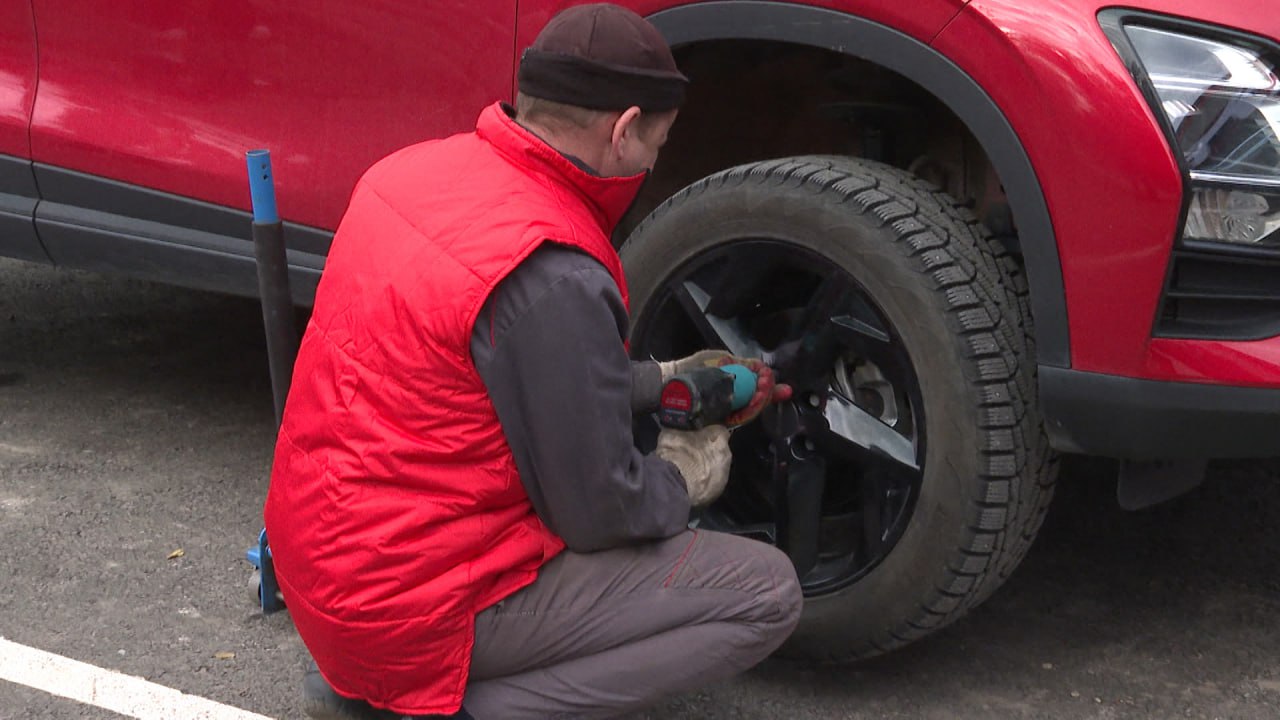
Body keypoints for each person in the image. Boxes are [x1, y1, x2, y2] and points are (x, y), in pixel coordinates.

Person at [262, 5, 803, 719]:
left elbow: (483, 377)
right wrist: (682, 475)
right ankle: (441, 706)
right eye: (657, 142)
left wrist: (665, 383)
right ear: (622, 128)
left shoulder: (411, 171)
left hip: (323, 571)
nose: (651, 163)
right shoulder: (554, 272)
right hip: (409, 612)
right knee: (766, 595)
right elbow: (598, 514)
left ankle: (372, 685)